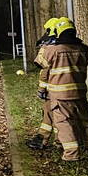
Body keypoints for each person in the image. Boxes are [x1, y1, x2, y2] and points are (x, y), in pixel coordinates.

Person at [43, 17, 88, 161]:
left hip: (60, 96)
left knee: (64, 124)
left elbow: (42, 65)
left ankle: (71, 155)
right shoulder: (83, 49)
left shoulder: (53, 50)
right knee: (87, 123)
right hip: (80, 94)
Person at [27, 18, 60, 150]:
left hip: (53, 89)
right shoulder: (65, 46)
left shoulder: (49, 48)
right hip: (61, 87)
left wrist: (42, 89)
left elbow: (44, 71)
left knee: (55, 114)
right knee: (50, 113)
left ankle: (57, 141)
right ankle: (43, 138)